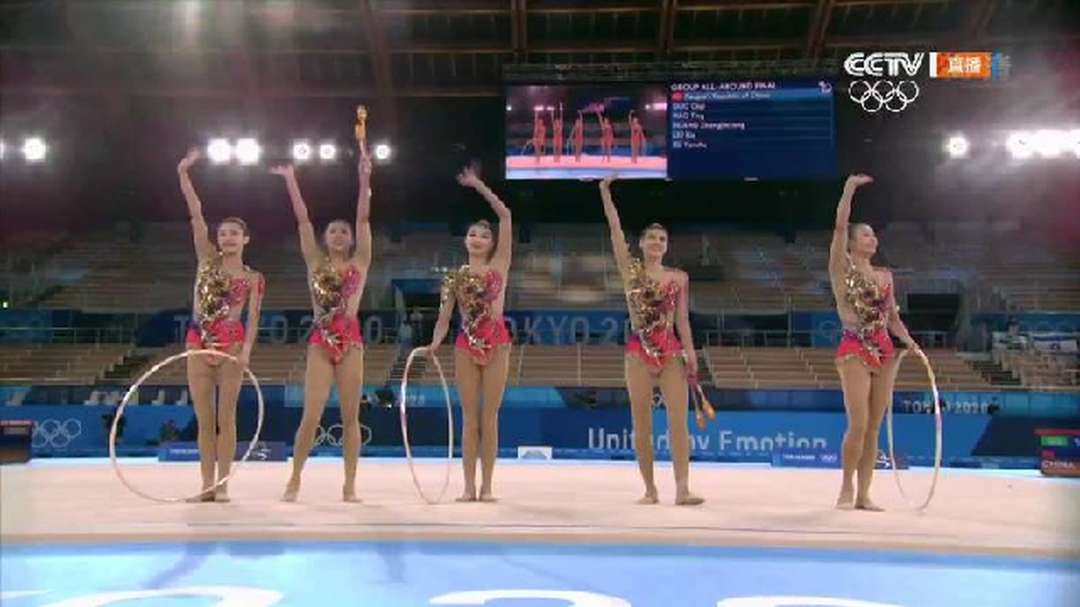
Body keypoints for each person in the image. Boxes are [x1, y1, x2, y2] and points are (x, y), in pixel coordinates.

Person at [271, 151, 373, 503]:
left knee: (350, 416)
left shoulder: (361, 260)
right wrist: (291, 180)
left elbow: (364, 217)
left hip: (351, 341)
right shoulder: (314, 261)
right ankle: (294, 478)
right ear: (325, 237)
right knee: (311, 414)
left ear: (352, 238)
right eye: (332, 231)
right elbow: (302, 221)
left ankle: (350, 485)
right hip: (320, 341)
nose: (339, 234)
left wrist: (364, 178)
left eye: (344, 231)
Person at [599, 174, 703, 506]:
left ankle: (682, 489)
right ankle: (649, 489)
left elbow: (682, 319)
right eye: (651, 238)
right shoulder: (631, 273)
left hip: (671, 351)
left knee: (678, 422)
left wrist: (691, 352)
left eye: (662, 238)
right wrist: (605, 192)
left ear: (666, 245)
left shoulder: (679, 278)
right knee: (641, 422)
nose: (657, 242)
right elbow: (615, 232)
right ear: (641, 244)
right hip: (638, 352)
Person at [177, 148, 265, 503]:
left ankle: (223, 484)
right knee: (204, 418)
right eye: (223, 233)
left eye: (234, 233)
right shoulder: (206, 261)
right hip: (198, 341)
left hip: (231, 344)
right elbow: (195, 215)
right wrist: (184, 173)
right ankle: (205, 485)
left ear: (245, 239)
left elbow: (253, 317)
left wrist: (246, 352)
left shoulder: (253, 277)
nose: (227, 237)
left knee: (226, 418)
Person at [828, 174, 920, 511]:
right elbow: (840, 227)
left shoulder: (885, 276)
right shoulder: (841, 267)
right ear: (852, 243)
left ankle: (864, 494)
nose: (872, 238)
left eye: (873, 234)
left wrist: (911, 343)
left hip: (885, 350)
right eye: (865, 234)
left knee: (874, 428)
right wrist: (849, 189)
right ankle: (846, 488)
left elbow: (892, 318)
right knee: (859, 423)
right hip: (854, 348)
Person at [429, 164, 513, 502]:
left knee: (489, 418)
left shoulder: (499, 266)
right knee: (469, 419)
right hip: (465, 345)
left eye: (483, 235)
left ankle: (487, 486)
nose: (477, 239)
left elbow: (505, 216)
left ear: (492, 244)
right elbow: (444, 318)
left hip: (497, 343)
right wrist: (435, 343)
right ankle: (467, 487)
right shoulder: (455, 277)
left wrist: (479, 185)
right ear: (465, 241)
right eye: (472, 234)